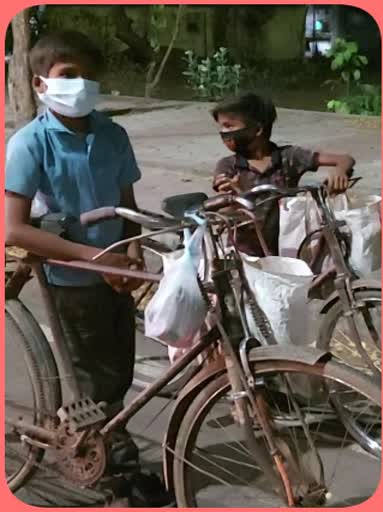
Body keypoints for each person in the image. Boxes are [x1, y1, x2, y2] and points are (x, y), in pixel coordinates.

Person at [4, 30, 168, 505]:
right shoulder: (31, 143)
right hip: (70, 276)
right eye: (68, 76)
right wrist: (96, 259)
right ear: (40, 85)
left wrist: (132, 252)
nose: (81, 85)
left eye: (89, 77)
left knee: (117, 370)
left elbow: (127, 205)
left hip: (117, 272)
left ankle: (111, 445)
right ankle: (113, 469)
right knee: (94, 379)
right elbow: (14, 229)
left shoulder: (112, 135)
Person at [210, 93, 355, 256]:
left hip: (289, 244)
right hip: (246, 251)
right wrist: (238, 193)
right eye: (221, 128)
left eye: (229, 126)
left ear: (257, 129)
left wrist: (339, 171)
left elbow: (345, 159)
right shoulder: (228, 166)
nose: (223, 133)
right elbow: (224, 211)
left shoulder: (289, 157)